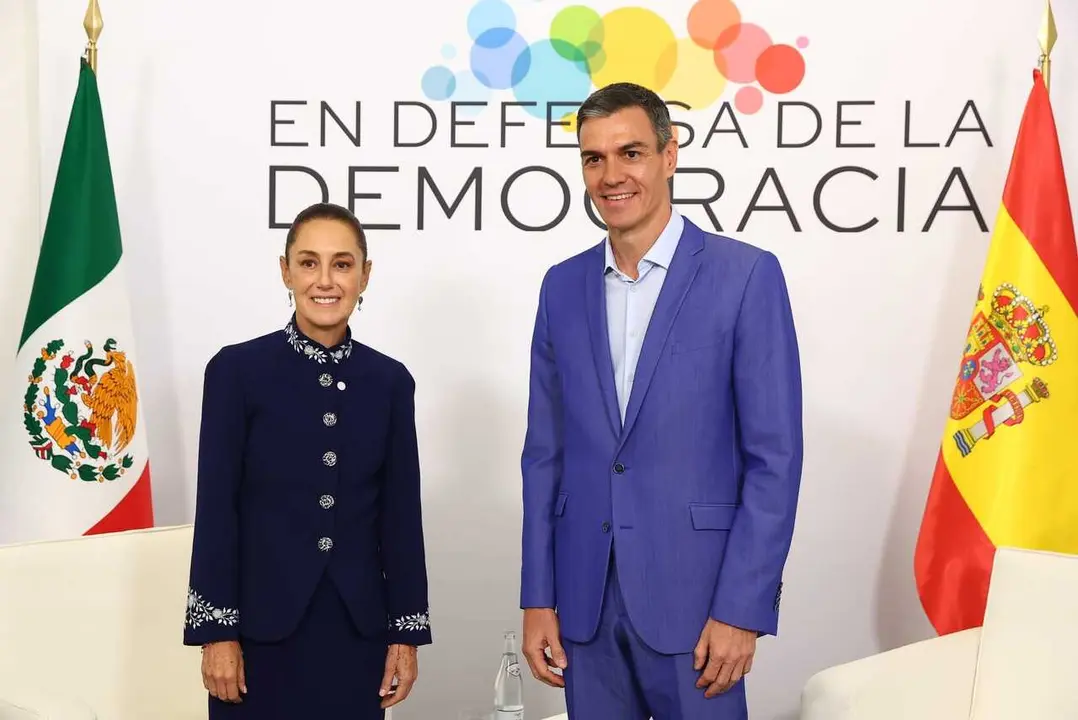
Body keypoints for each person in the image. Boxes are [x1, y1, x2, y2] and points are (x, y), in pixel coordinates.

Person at [519, 82, 804, 719]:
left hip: (700, 605)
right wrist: (538, 597)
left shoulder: (746, 276)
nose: (611, 176)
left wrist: (742, 607)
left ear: (670, 156)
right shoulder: (561, 288)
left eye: (631, 153)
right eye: (594, 158)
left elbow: (774, 459)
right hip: (585, 607)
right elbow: (545, 455)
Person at [183, 202, 432, 719]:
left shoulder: (389, 382)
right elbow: (216, 510)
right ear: (285, 271)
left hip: (355, 634)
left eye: (342, 264)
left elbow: (400, 518)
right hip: (256, 636)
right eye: (309, 262)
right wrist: (216, 633)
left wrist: (405, 634)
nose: (326, 280)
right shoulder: (236, 372)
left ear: (365, 275)